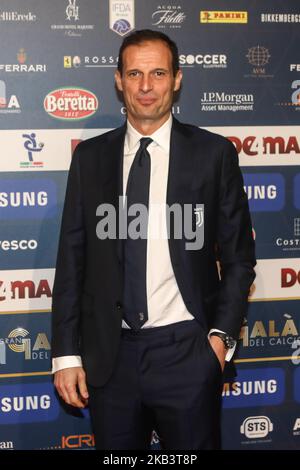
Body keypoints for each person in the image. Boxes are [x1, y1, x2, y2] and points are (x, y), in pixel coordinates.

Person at [51, 29, 256, 450]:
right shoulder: (89, 159)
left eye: (158, 73)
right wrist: (67, 355)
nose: (146, 87)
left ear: (177, 78)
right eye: (135, 74)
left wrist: (219, 341)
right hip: (110, 358)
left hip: (187, 352)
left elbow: (239, 259)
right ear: (118, 79)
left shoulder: (213, 154)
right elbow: (72, 262)